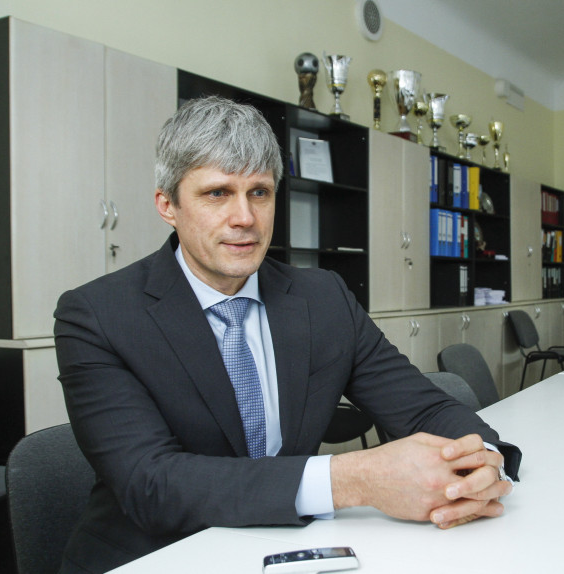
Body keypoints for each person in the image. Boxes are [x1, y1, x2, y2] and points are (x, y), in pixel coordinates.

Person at [53, 96, 521, 573]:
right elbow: (150, 483)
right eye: (217, 193)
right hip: (157, 556)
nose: (245, 218)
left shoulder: (323, 297)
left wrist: (481, 462)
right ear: (167, 205)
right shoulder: (97, 316)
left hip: (286, 548)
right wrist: (356, 479)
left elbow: (422, 407)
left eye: (259, 192)